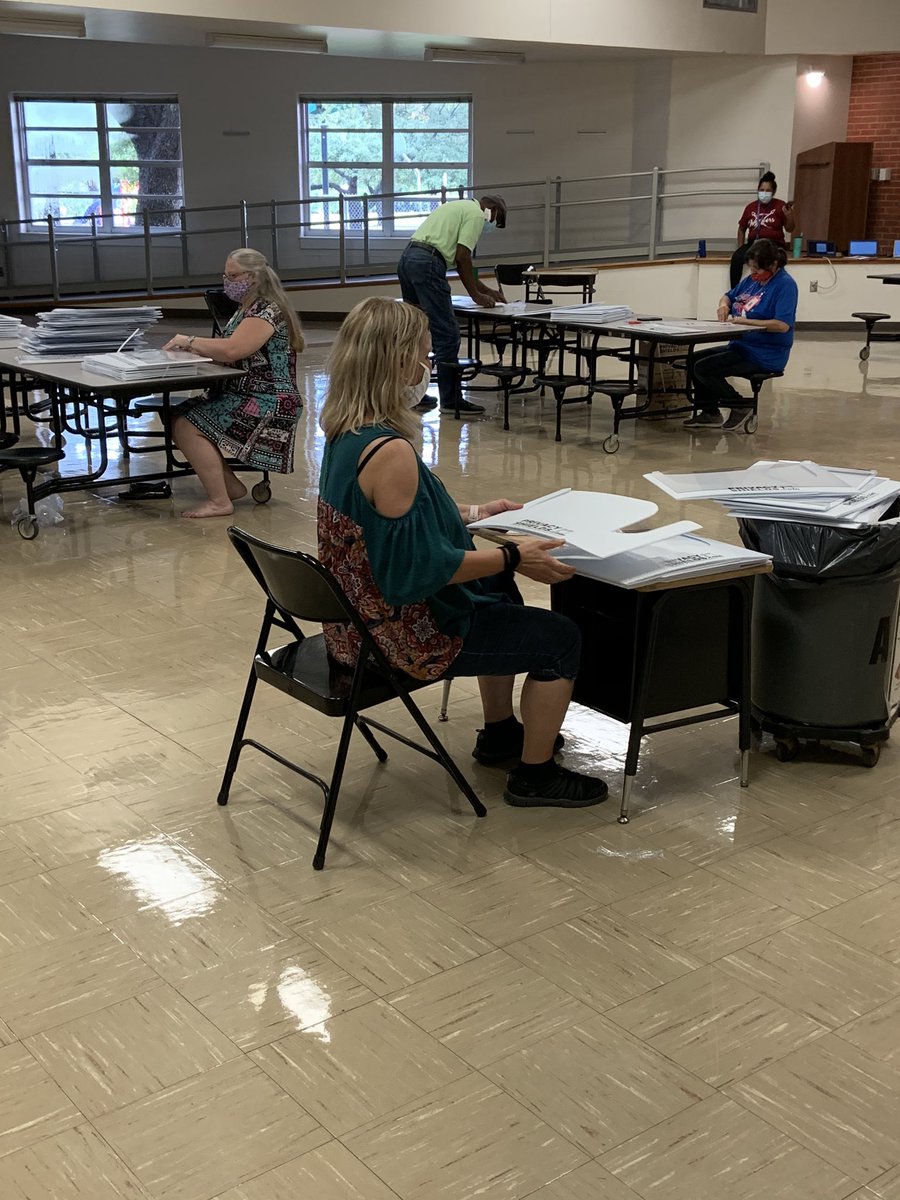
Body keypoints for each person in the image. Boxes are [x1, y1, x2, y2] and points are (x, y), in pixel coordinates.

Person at [317, 296, 608, 809]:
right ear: (396, 362)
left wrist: (476, 513)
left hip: (352, 623)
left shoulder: (347, 433)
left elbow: (395, 521)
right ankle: (534, 777)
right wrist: (516, 557)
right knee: (561, 639)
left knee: (493, 586)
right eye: (424, 356)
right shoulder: (391, 451)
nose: (429, 367)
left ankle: (500, 732)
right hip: (401, 634)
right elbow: (416, 571)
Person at [163, 248, 304, 518]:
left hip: (268, 400)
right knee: (177, 413)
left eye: (233, 275)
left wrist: (190, 341)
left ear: (252, 277)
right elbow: (230, 351)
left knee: (186, 424)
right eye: (225, 276)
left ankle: (220, 501)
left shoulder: (266, 311)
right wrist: (195, 352)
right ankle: (230, 487)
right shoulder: (247, 309)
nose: (227, 282)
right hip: (247, 392)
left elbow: (233, 350)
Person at [397, 194, 508, 417]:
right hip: (429, 263)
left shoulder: (458, 206)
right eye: (496, 221)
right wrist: (476, 296)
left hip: (409, 259)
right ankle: (451, 399)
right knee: (447, 333)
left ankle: (411, 392)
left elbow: (461, 263)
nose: (491, 226)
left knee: (413, 332)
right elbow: (463, 257)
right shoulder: (477, 214)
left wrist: (485, 291)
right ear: (493, 210)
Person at [685, 239, 798, 430]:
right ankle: (710, 412)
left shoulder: (785, 285)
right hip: (741, 346)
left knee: (704, 368)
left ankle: (740, 406)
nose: (753, 273)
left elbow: (782, 325)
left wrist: (744, 321)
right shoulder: (752, 281)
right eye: (751, 269)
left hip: (764, 353)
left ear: (773, 265)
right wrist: (723, 306)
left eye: (757, 270)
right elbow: (729, 296)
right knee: (693, 360)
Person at [730, 171, 795, 289]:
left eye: (767, 191)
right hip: (754, 243)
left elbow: (790, 229)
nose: (764, 193)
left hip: (773, 244)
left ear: (773, 192)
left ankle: (772, 289)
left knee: (770, 260)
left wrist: (789, 216)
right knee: (736, 258)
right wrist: (740, 247)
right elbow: (741, 228)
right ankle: (735, 291)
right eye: (761, 190)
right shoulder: (750, 207)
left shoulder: (780, 205)